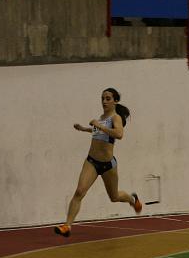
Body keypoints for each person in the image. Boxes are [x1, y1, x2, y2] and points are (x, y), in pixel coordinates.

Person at [54, 88, 142, 237]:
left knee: (114, 197)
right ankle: (67, 226)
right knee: (80, 191)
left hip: (108, 165)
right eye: (102, 98)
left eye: (108, 98)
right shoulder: (101, 117)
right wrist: (84, 129)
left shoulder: (115, 118)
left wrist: (99, 125)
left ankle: (132, 199)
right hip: (92, 162)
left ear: (115, 101)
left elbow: (119, 134)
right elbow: (98, 132)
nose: (104, 101)